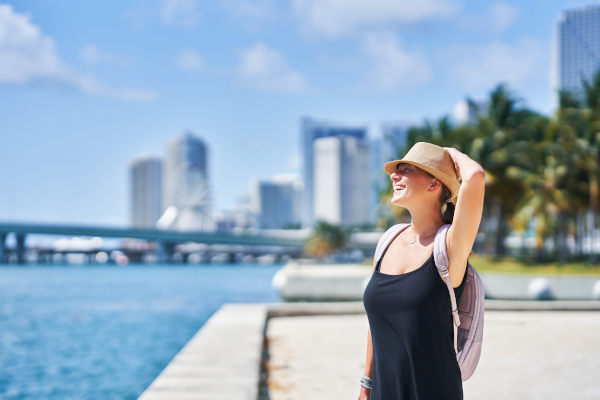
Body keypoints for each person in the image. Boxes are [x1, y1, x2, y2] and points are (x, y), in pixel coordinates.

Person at [359, 142, 486, 400]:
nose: (394, 175)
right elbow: (376, 323)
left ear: (434, 184)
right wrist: (366, 386)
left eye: (406, 169)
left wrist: (452, 154)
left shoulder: (449, 246)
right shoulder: (388, 241)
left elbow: (475, 177)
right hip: (383, 392)